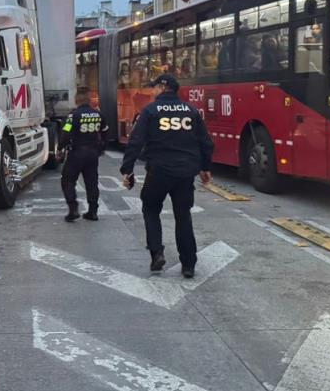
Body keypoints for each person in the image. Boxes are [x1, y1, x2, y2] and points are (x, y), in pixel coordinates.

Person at [120, 74, 214, 276]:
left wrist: (127, 170)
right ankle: (188, 264)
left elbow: (136, 142)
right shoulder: (191, 111)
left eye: (154, 87)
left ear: (163, 87)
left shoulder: (150, 111)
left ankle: (156, 253)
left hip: (159, 171)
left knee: (151, 208)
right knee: (183, 216)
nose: (152, 91)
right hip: (185, 174)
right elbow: (206, 142)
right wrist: (205, 167)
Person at [59, 89, 109, 222]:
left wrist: (59, 148)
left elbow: (65, 134)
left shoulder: (72, 116)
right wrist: (102, 148)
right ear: (89, 100)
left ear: (77, 101)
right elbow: (105, 132)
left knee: (67, 180)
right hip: (93, 154)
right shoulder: (98, 114)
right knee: (92, 182)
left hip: (76, 153)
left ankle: (73, 209)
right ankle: (93, 212)